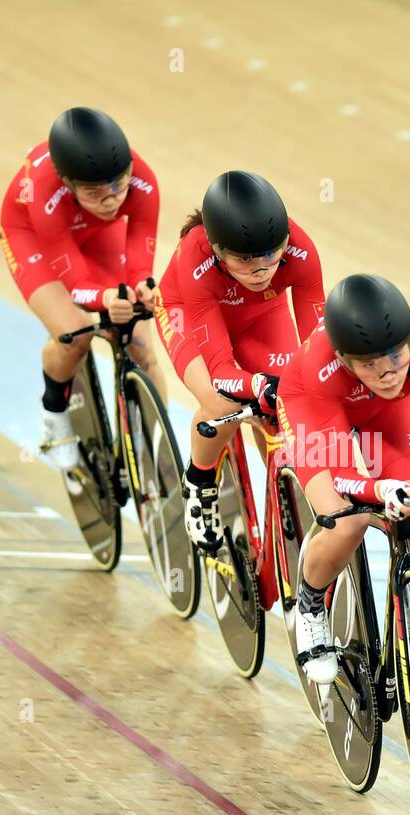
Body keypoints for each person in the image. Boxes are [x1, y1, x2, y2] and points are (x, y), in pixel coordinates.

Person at [276, 274, 410, 686]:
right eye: (369, 365)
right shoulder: (321, 366)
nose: (387, 373)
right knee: (349, 520)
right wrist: (380, 488)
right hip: (313, 408)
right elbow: (344, 476)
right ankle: (310, 604)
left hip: (388, 416)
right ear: (346, 360)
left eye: (397, 358)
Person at [152, 171, 324, 551]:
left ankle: (287, 495)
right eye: (245, 259)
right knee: (224, 400)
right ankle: (199, 482)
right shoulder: (195, 258)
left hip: (262, 316)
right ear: (217, 250)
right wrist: (256, 385)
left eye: (270, 255)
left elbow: (319, 344)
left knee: (282, 414)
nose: (262, 269)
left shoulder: (301, 251)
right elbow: (221, 368)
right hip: (189, 316)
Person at [0, 107, 165, 470]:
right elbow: (74, 283)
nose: (111, 200)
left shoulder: (142, 181)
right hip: (35, 237)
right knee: (74, 333)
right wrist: (105, 298)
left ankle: (159, 448)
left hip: (96, 233)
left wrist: (143, 287)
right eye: (94, 191)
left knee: (139, 342)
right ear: (67, 183)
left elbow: (139, 259)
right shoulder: (46, 193)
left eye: (119, 185)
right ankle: (53, 416)